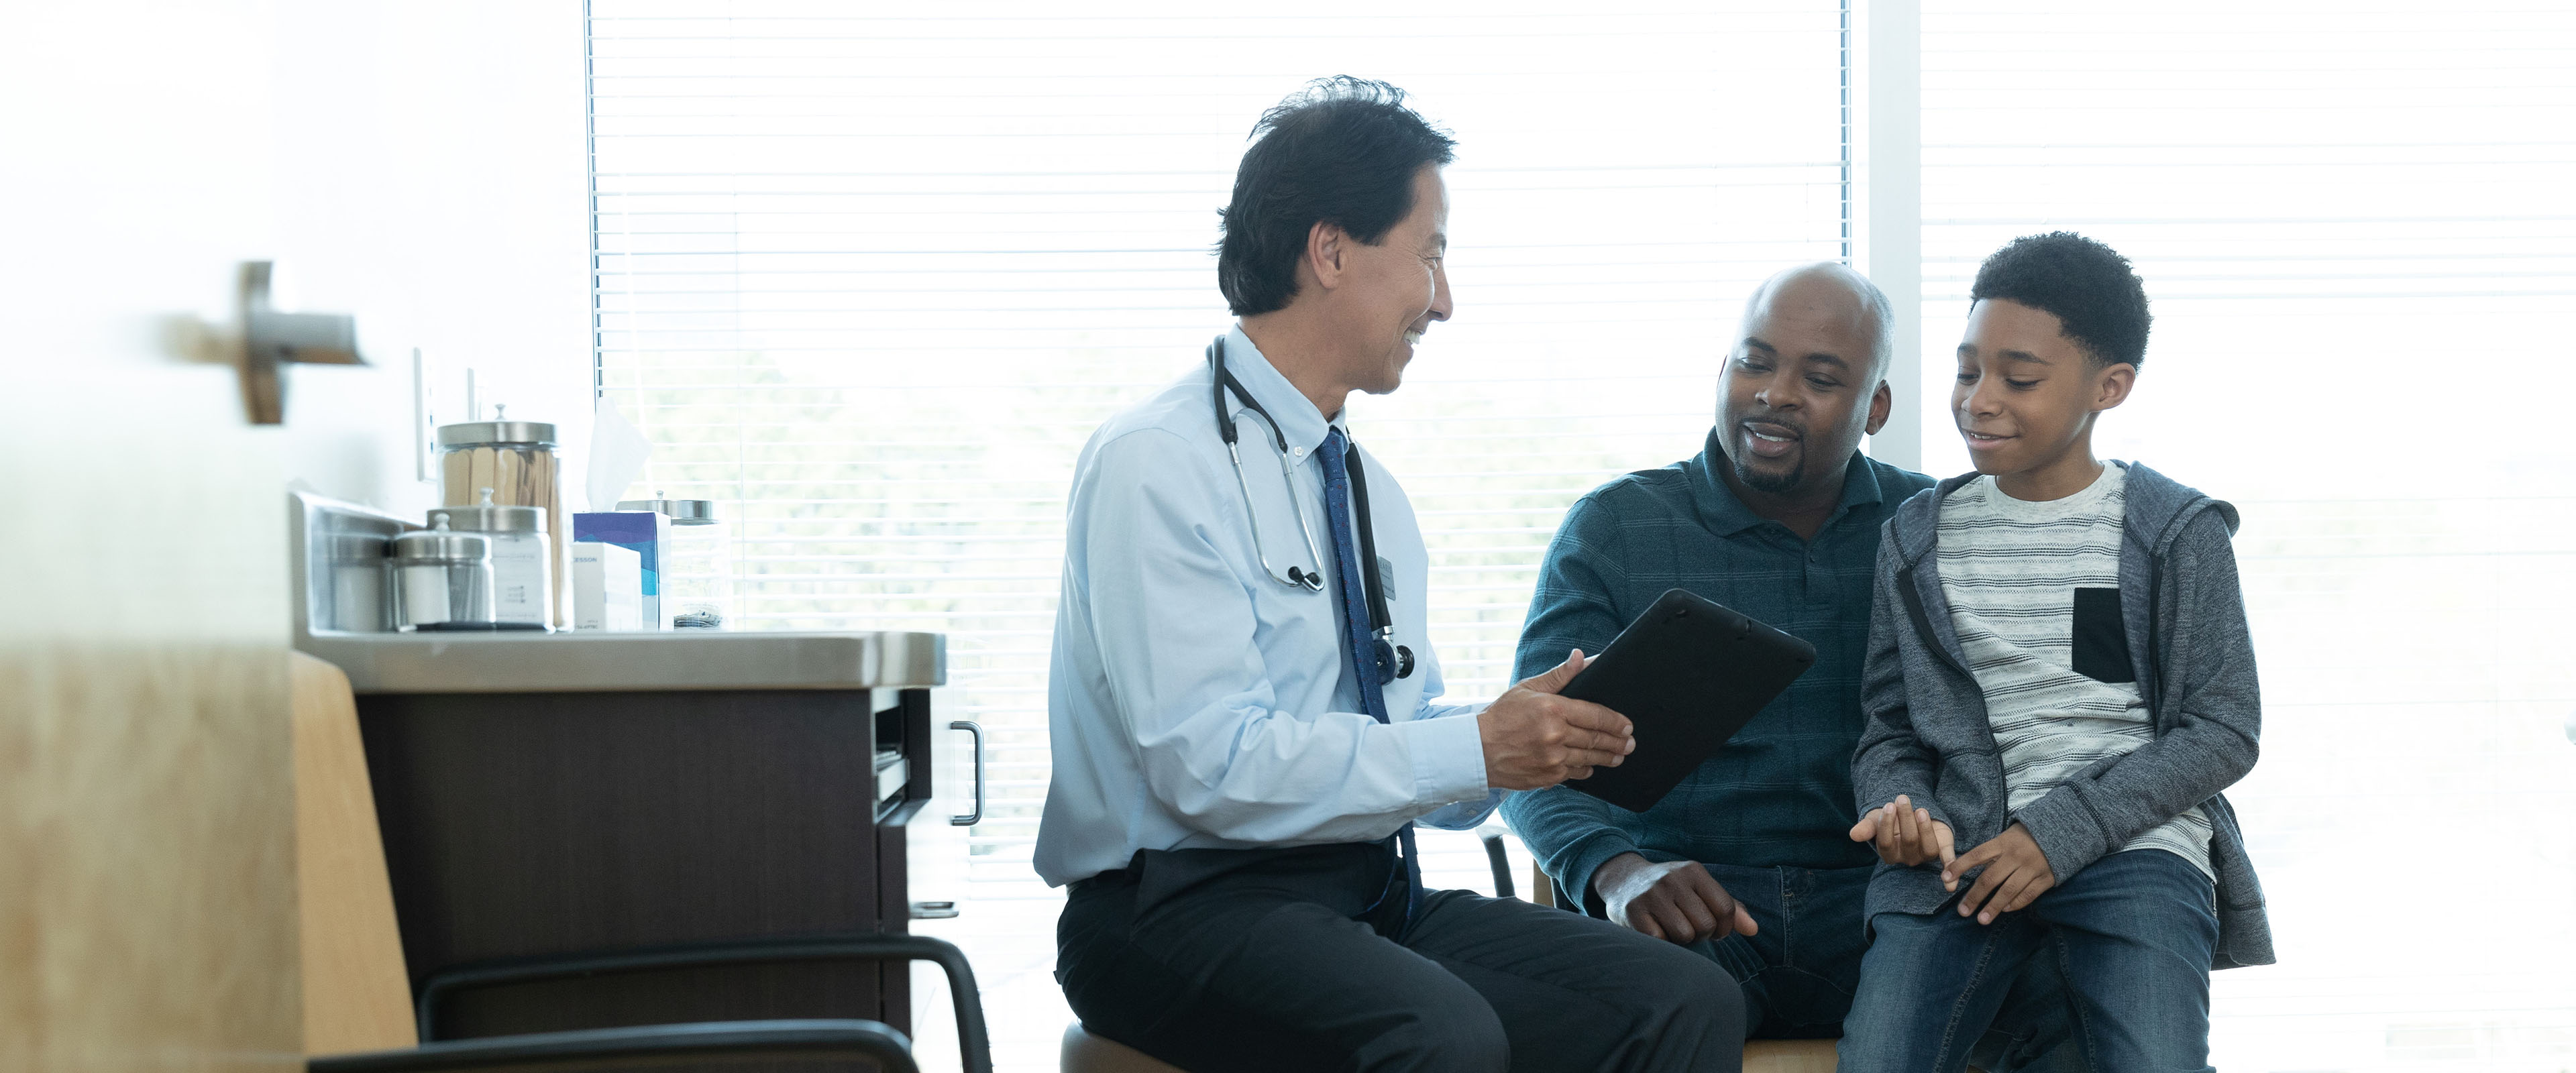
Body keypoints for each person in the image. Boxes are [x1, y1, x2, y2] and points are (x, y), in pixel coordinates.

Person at [1034, 76, 1746, 1073]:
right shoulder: (1158, 460)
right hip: (1170, 910)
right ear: (1331, 251)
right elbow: (1206, 770)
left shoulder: (1368, 491)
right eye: (1432, 253)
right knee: (1439, 1035)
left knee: (1681, 998)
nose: (1444, 301)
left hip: (1361, 894)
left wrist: (1515, 738)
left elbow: (1402, 742)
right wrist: (1473, 753)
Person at [1503, 263, 2076, 1066]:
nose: (1775, 393)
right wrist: (1620, 873)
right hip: (1688, 897)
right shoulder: (1616, 527)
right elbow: (1526, 758)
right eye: (1755, 362)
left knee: (2069, 989)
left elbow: (2037, 728)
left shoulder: (1934, 529)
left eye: (1821, 377)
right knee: (1630, 1010)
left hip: (1887, 901)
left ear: (1874, 407)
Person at [1836, 232, 2274, 1072]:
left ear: (2109, 387)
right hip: (1960, 858)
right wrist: (1901, 807)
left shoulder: (2174, 533)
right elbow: (1890, 726)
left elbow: (2224, 727)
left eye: (2020, 378)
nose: (1980, 399)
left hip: (2134, 846)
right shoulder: (1917, 539)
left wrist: (2056, 834)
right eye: (1968, 371)